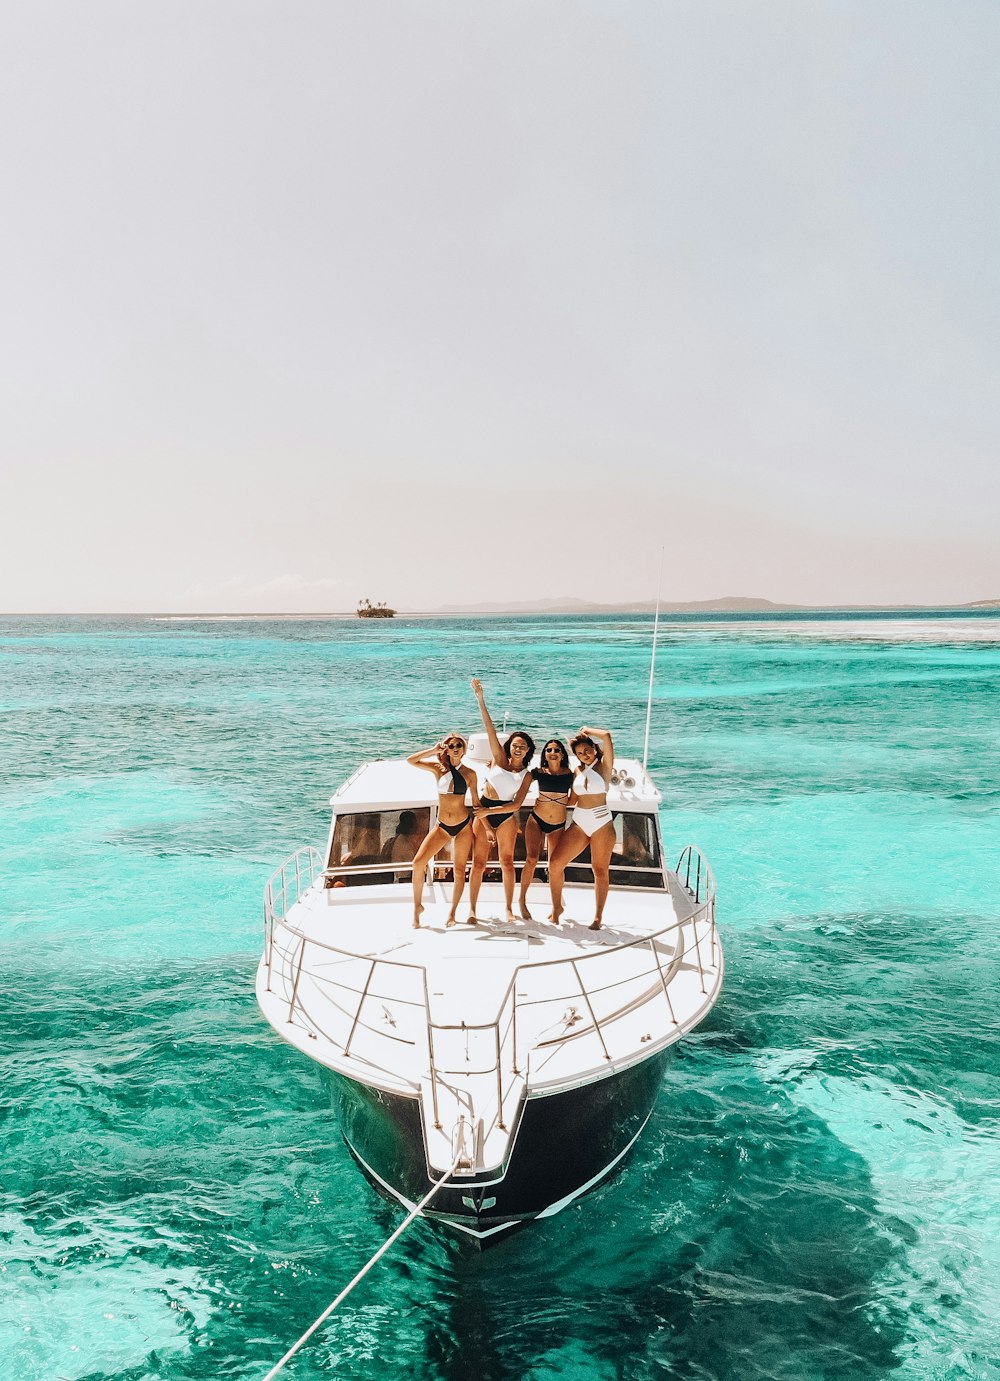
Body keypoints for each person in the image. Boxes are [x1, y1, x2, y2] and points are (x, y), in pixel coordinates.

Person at [467, 678, 536, 924]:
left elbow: (517, 805)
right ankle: (472, 909)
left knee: (507, 862)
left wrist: (488, 814)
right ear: (509, 747)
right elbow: (490, 729)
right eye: (515, 745)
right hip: (484, 808)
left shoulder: (527, 775)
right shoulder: (499, 760)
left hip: (505, 815)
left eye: (523, 746)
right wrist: (480, 698)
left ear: (528, 750)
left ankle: (508, 908)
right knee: (478, 863)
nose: (518, 749)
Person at [406, 736, 482, 928]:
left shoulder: (470, 774)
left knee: (458, 870)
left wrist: (489, 826)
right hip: (442, 826)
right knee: (418, 863)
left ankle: (453, 912)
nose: (455, 748)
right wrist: (433, 750)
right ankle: (417, 907)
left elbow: (476, 803)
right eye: (451, 745)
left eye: (459, 745)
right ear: (446, 749)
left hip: (463, 826)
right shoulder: (438, 769)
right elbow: (411, 760)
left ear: (464, 750)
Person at [547, 726, 616, 929]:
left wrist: (587, 730)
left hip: (601, 822)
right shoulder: (577, 770)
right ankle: (556, 907)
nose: (584, 755)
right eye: (579, 753)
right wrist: (548, 799)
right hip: (579, 822)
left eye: (587, 750)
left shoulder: (605, 766)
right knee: (555, 864)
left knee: (600, 870)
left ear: (594, 749)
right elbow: (572, 800)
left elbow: (607, 736)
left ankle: (597, 917)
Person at [518, 739, 574, 920]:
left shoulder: (570, 775)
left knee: (555, 867)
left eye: (556, 749)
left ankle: (557, 907)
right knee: (531, 860)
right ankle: (521, 900)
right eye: (548, 749)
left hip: (558, 825)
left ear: (562, 754)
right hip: (536, 820)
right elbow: (518, 772)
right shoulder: (538, 773)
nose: (552, 752)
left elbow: (574, 799)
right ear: (544, 755)